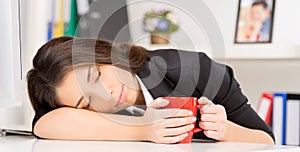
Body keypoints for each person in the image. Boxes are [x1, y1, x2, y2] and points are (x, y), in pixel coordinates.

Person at [27, 36, 275, 144]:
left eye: (98, 76)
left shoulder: (196, 70)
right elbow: (44, 123)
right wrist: (144, 128)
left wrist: (225, 131)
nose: (107, 96)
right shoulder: (79, 115)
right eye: (86, 101)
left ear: (104, 53)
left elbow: (266, 139)